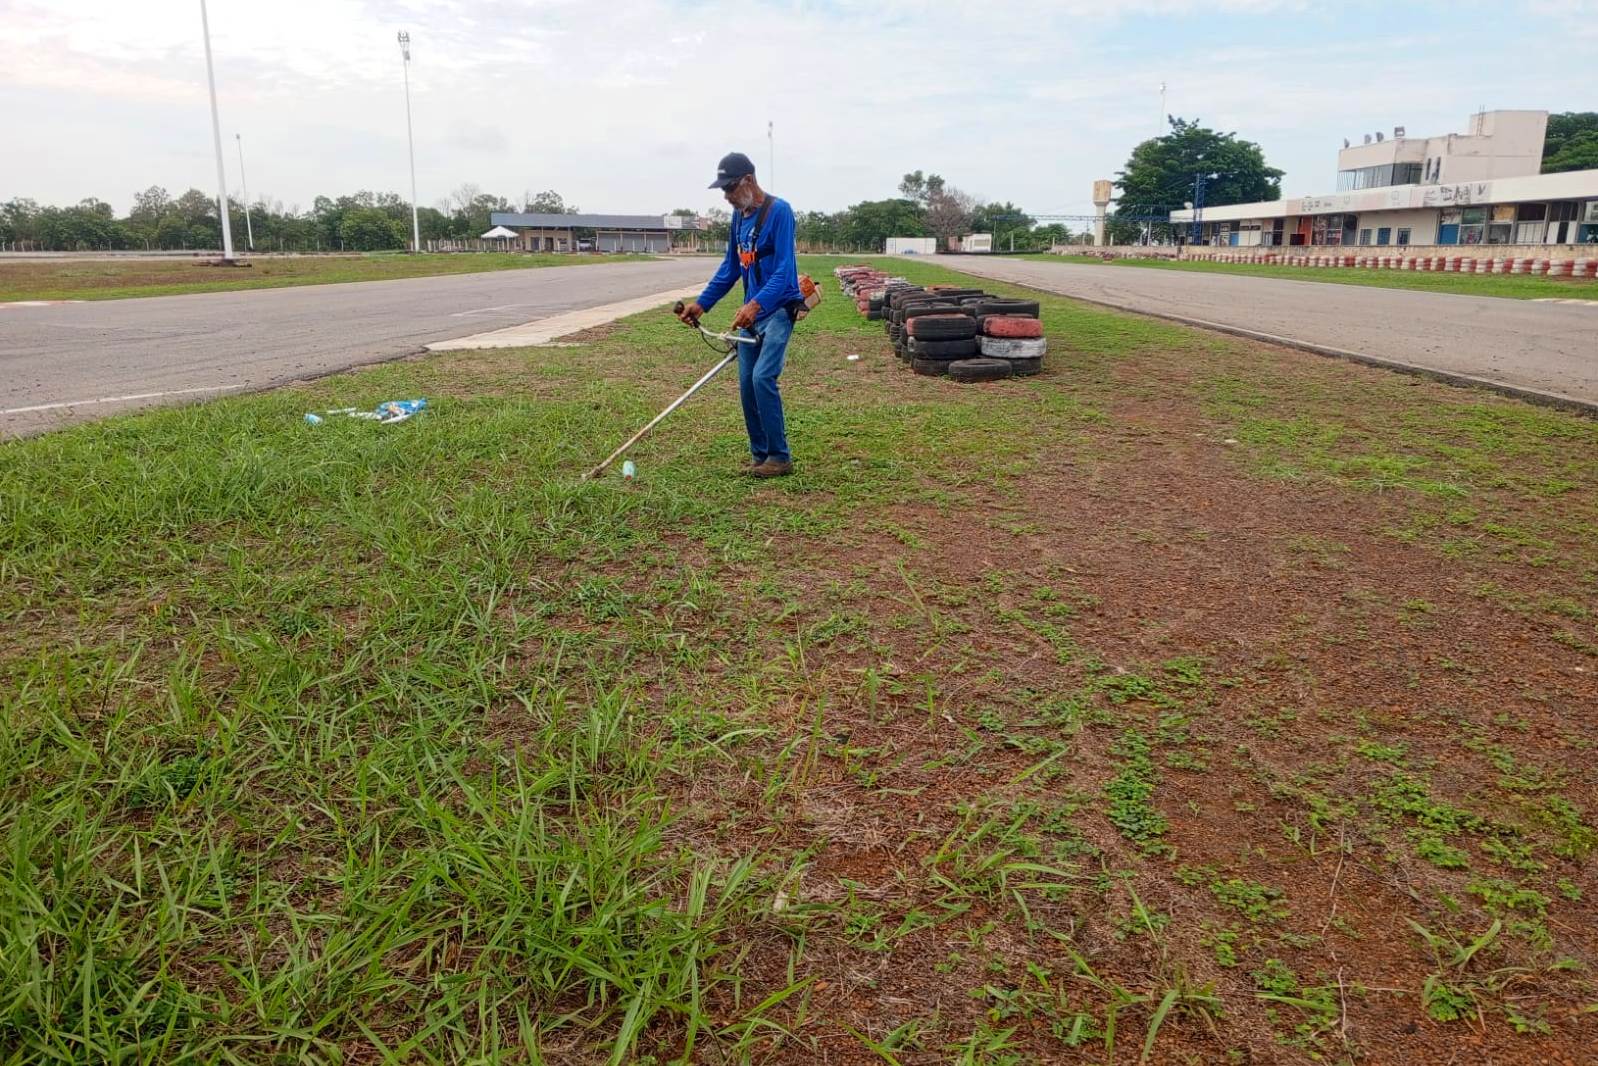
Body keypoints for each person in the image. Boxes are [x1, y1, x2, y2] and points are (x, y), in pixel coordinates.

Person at [677, 151, 803, 478]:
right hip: (753, 313)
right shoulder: (738, 218)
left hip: (778, 309)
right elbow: (730, 267)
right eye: (723, 190)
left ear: (748, 180)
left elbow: (784, 271)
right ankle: (761, 456)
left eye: (730, 188)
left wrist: (755, 305)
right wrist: (702, 304)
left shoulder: (780, 212)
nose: (727, 196)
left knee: (763, 378)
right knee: (747, 384)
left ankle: (780, 456)